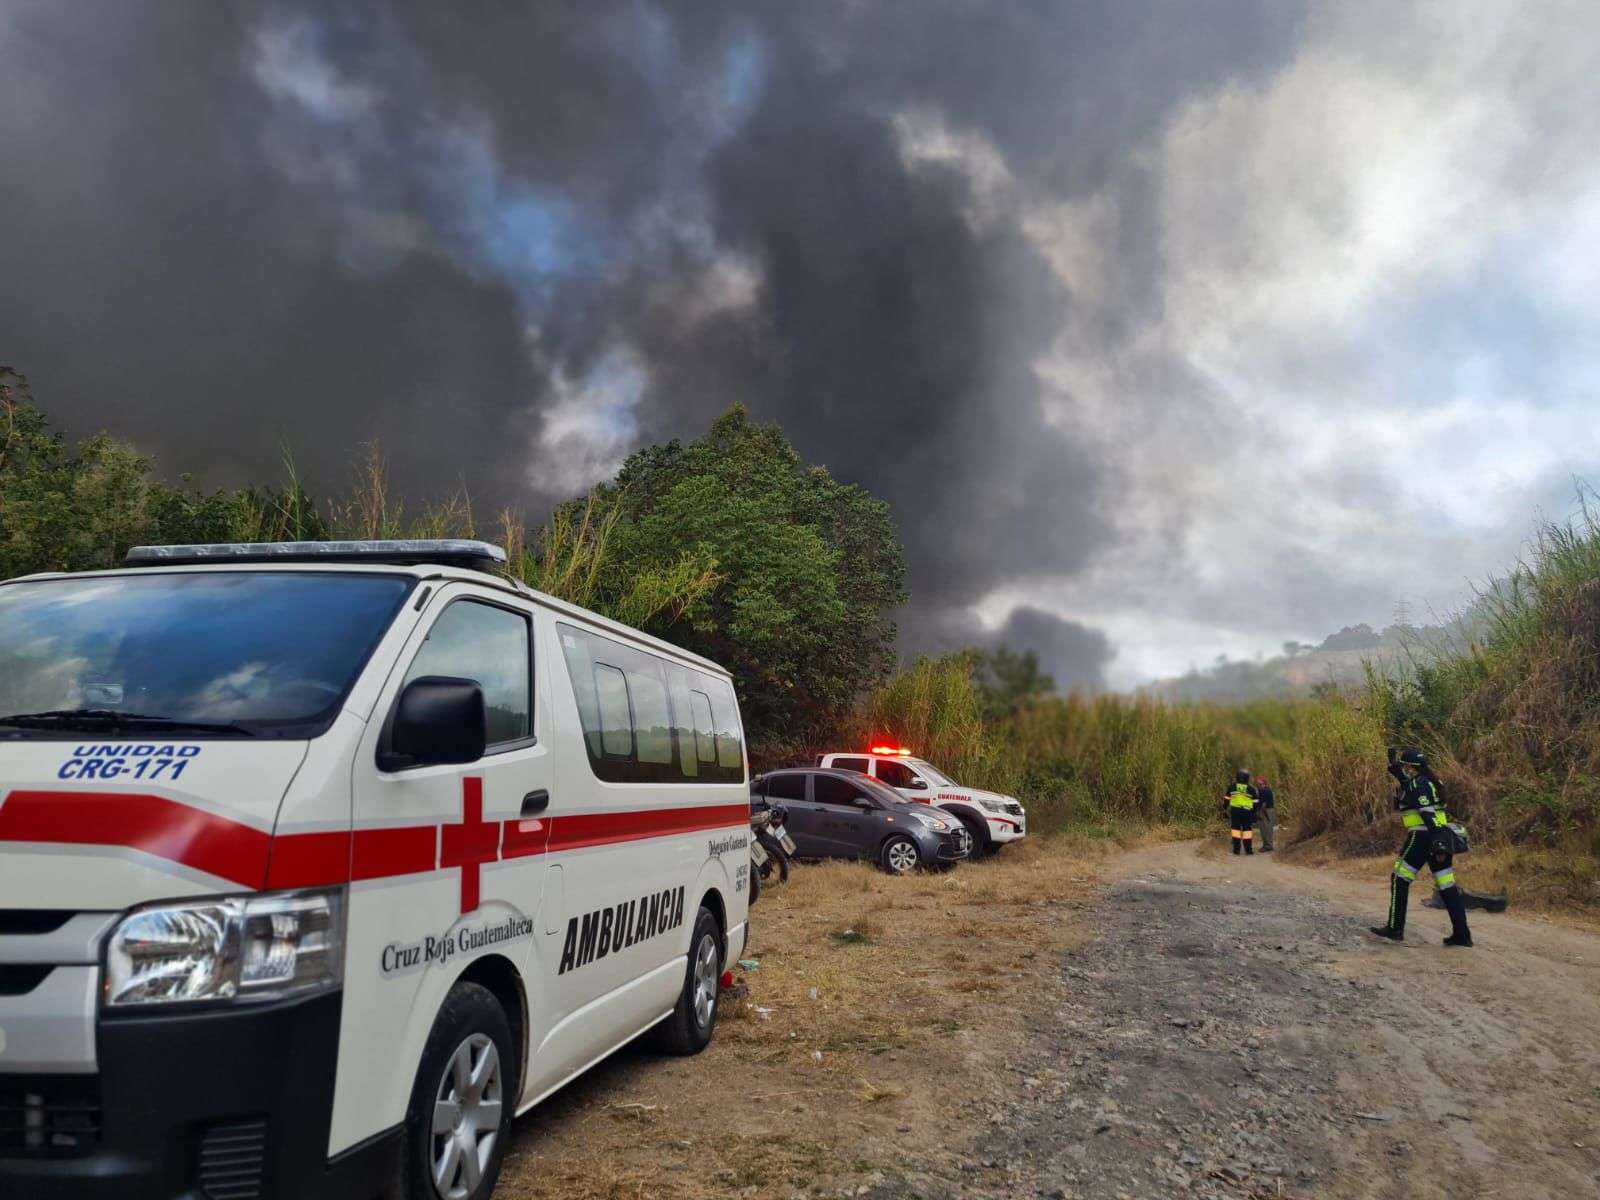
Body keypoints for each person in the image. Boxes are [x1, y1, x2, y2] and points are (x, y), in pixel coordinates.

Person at [1370, 747, 1472, 947]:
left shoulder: (1419, 783)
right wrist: (1397, 773)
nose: (1404, 769)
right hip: (1438, 836)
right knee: (1447, 885)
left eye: (1404, 766)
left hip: (1424, 836)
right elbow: (1413, 790)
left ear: (1410, 767)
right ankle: (1462, 935)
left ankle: (1395, 928)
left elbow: (1426, 810)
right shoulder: (1430, 781)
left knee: (1399, 879)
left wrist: (1437, 841)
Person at [1224, 768, 1259, 855]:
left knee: (1236, 830)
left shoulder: (1232, 786)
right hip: (1247, 812)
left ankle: (1236, 850)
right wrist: (1254, 812)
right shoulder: (1251, 788)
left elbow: (1227, 799)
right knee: (1247, 830)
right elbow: (1255, 802)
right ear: (1247, 778)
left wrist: (1224, 808)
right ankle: (1248, 850)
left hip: (1235, 811)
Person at [1254, 775, 1276, 852]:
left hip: (1267, 811)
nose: (1258, 785)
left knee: (1267, 828)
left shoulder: (1265, 791)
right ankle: (1266, 845)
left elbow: (1264, 804)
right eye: (1258, 783)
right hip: (1265, 810)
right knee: (1263, 829)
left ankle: (1268, 845)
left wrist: (1259, 813)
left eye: (1260, 783)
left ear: (1264, 783)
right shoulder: (1261, 790)